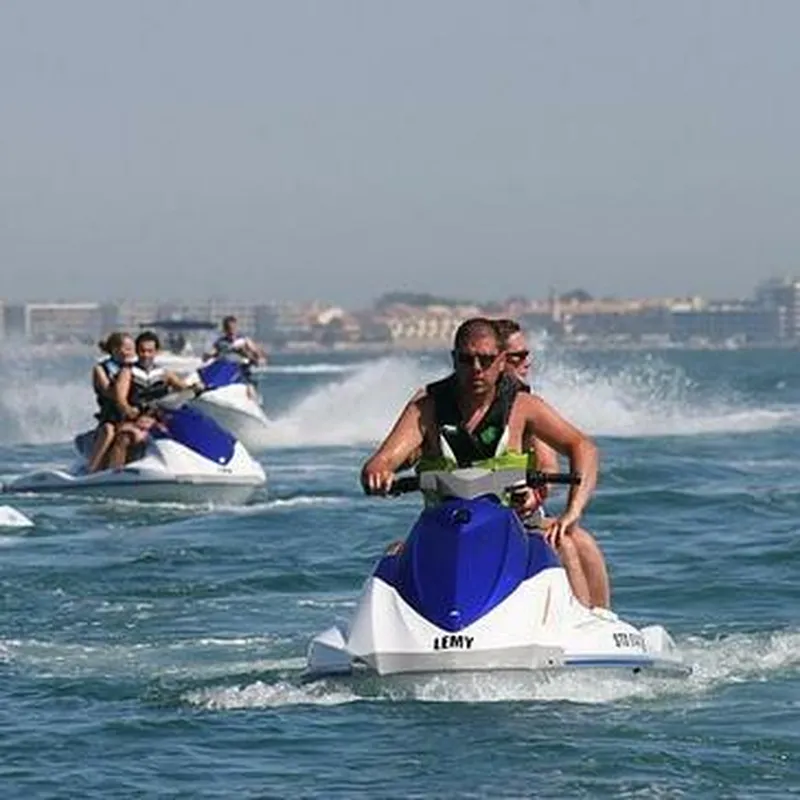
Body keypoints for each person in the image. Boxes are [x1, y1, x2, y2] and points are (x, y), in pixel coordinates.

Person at [361, 317, 599, 608]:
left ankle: (586, 625)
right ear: (454, 359)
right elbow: (382, 461)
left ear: (501, 361)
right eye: (466, 359)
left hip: (513, 529)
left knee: (561, 543)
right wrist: (378, 474)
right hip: (444, 529)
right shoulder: (426, 409)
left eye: (485, 360)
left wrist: (572, 511)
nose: (476, 369)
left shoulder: (523, 406)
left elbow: (582, 446)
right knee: (395, 554)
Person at [494, 319, 611, 609]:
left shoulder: (525, 406)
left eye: (526, 354)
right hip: (476, 517)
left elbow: (550, 466)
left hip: (522, 513)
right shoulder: (450, 405)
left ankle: (597, 621)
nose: (526, 362)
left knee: (575, 540)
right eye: (517, 357)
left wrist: (536, 492)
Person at [107, 331, 200, 469]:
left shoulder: (164, 373)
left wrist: (197, 387)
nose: (146, 355)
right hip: (134, 421)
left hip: (157, 420)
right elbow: (120, 399)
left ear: (156, 352)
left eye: (150, 351)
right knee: (124, 438)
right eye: (142, 351)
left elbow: (183, 388)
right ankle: (113, 474)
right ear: (137, 352)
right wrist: (128, 410)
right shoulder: (127, 372)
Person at [85, 332, 136, 473]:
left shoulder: (134, 368)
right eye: (126, 348)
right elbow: (110, 393)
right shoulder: (101, 369)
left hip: (132, 414)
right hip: (111, 415)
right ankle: (92, 469)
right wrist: (124, 378)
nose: (129, 353)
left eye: (132, 349)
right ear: (114, 349)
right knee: (109, 431)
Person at [203, 315, 266, 388]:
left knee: (248, 383)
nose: (231, 331)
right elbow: (211, 353)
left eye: (233, 328)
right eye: (229, 329)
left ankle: (250, 391)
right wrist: (207, 356)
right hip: (224, 370)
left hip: (239, 371)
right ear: (225, 329)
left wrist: (258, 358)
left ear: (236, 328)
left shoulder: (244, 341)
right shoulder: (220, 342)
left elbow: (256, 352)